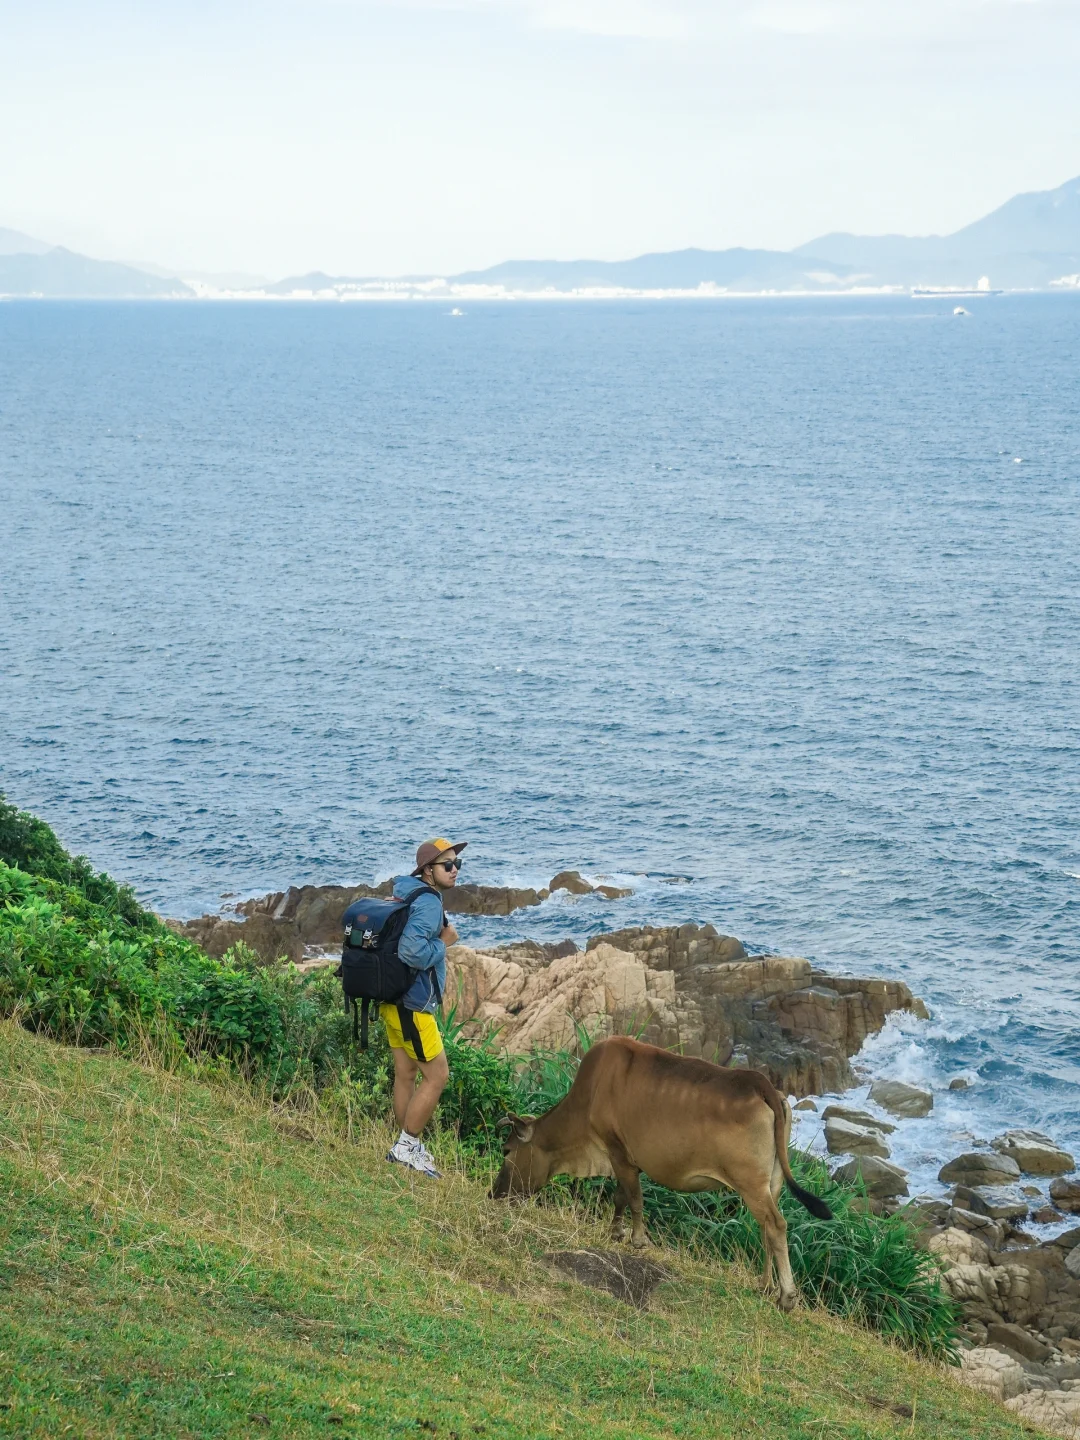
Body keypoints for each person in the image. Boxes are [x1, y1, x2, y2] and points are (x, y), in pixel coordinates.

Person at [383, 837, 465, 1178]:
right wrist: (444, 944)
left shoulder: (405, 891)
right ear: (428, 872)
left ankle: (406, 1145)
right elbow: (413, 952)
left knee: (406, 1074)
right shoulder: (429, 902)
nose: (455, 870)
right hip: (414, 1003)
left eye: (457, 864)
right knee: (438, 1075)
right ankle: (406, 1146)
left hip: (392, 999)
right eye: (448, 865)